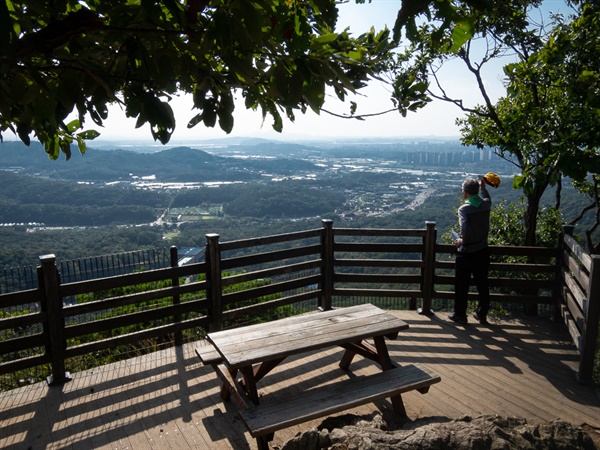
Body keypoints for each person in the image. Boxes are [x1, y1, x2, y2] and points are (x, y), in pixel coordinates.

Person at [449, 176, 491, 325]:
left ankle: (460, 315)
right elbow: (487, 197)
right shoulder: (486, 205)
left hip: (467, 253)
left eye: (462, 190)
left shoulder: (464, 209)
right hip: (482, 251)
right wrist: (484, 188)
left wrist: (462, 241)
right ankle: (482, 313)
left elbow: (465, 228)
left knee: (462, 285)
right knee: (482, 284)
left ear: (465, 192)